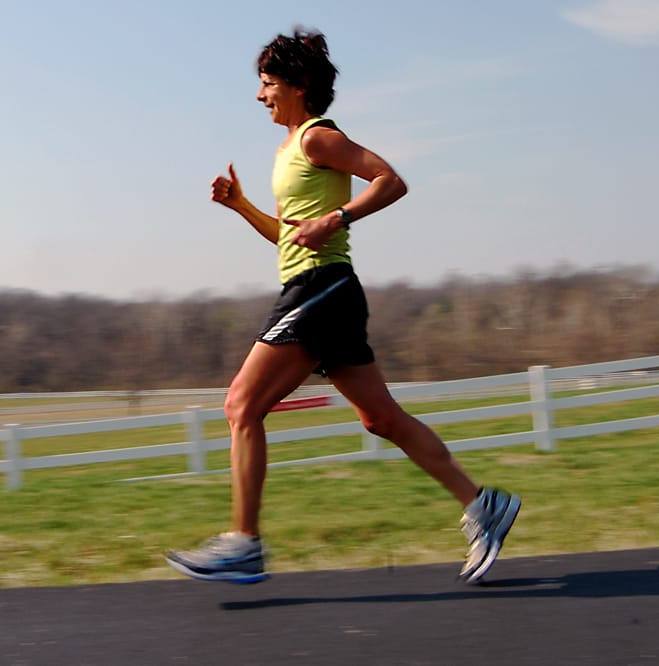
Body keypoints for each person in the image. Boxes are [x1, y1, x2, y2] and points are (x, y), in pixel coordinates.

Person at [166, 28, 519, 585]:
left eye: (268, 84)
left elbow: (390, 180)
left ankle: (244, 543)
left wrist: (338, 218)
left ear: (299, 86)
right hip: (319, 288)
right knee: (381, 419)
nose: (261, 96)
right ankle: (484, 505)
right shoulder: (287, 151)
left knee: (241, 406)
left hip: (321, 288)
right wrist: (241, 207)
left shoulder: (317, 138)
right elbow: (288, 236)